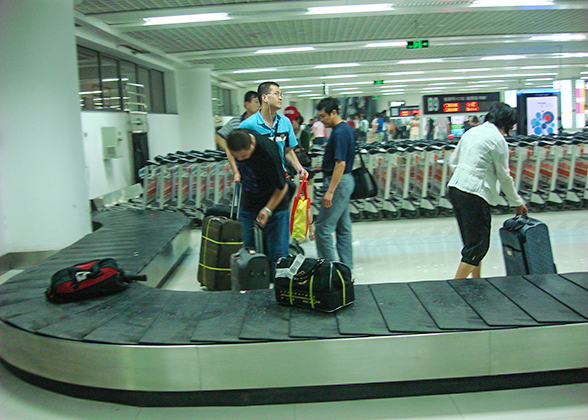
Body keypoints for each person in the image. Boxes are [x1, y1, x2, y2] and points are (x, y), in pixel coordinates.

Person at [448, 102, 528, 279]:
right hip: (474, 193)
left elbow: (452, 161)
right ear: (507, 124)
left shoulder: (472, 132)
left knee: (472, 243)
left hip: (455, 188)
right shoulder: (498, 140)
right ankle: (454, 286)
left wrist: (464, 177)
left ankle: (476, 281)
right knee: (479, 246)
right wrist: (517, 202)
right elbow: (504, 177)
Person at [225, 129, 290, 279]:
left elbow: (283, 187)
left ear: (252, 144)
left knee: (278, 257)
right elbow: (227, 148)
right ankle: (252, 291)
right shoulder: (238, 138)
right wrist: (236, 171)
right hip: (249, 203)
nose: (241, 160)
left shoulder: (268, 153)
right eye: (237, 157)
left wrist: (268, 209)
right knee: (248, 254)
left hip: (275, 205)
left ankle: (278, 292)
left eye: (244, 156)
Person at [314, 97, 356, 269]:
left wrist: (330, 191)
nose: (322, 121)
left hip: (337, 183)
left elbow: (340, 163)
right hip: (345, 181)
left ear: (334, 112)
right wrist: (323, 167)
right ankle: (346, 268)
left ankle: (329, 271)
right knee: (343, 227)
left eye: (324, 116)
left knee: (323, 229)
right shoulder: (346, 128)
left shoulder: (338, 132)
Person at [239, 82, 308, 179]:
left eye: (281, 95)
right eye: (276, 94)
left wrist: (299, 168)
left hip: (280, 177)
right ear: (264, 98)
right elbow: (233, 149)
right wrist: (236, 172)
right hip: (257, 179)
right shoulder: (249, 124)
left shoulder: (285, 122)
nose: (280, 98)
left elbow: (288, 151)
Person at [215, 91, 260, 182]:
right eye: (256, 102)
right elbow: (219, 137)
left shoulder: (264, 122)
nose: (259, 105)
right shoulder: (235, 122)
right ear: (246, 104)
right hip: (241, 166)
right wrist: (230, 149)